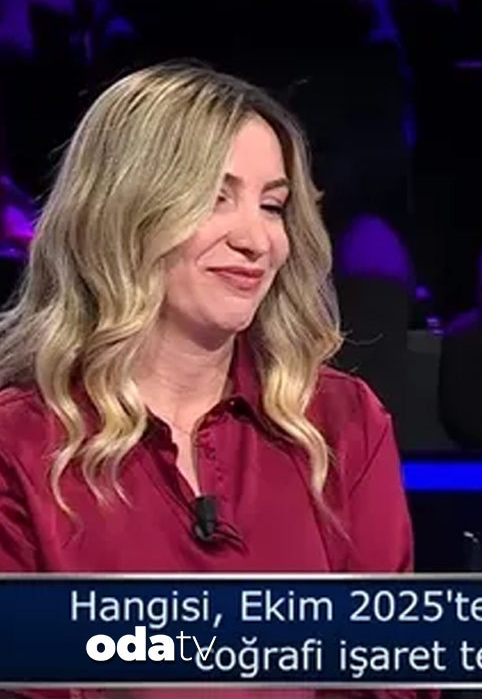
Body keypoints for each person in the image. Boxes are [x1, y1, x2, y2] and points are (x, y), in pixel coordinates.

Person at [0, 60, 418, 650]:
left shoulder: (342, 422)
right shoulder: (20, 442)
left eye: (272, 206)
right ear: (122, 214)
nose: (255, 240)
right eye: (214, 199)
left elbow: (386, 666)